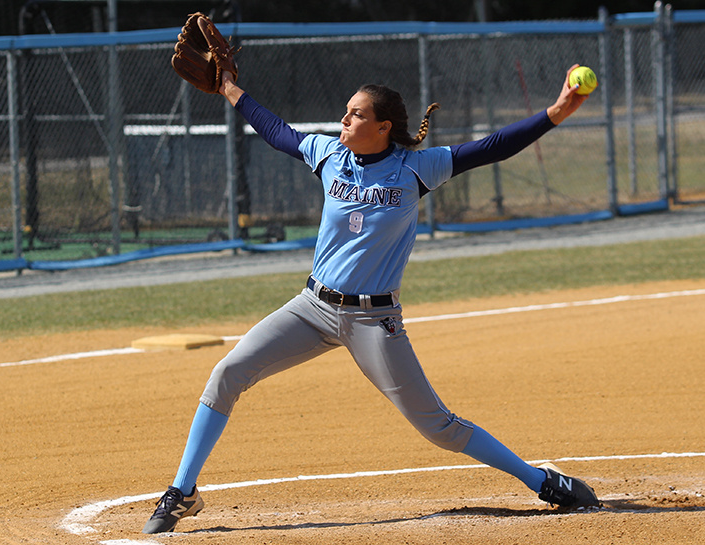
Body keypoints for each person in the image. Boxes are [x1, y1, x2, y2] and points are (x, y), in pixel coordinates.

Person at [142, 64, 600, 534]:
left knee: (439, 428)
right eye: (345, 112)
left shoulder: (415, 169)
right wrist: (228, 88)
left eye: (356, 115)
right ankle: (182, 492)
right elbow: (276, 130)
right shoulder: (328, 154)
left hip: (373, 321)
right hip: (312, 308)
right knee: (227, 373)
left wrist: (557, 111)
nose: (344, 121)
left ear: (383, 127)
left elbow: (491, 148)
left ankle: (542, 481)